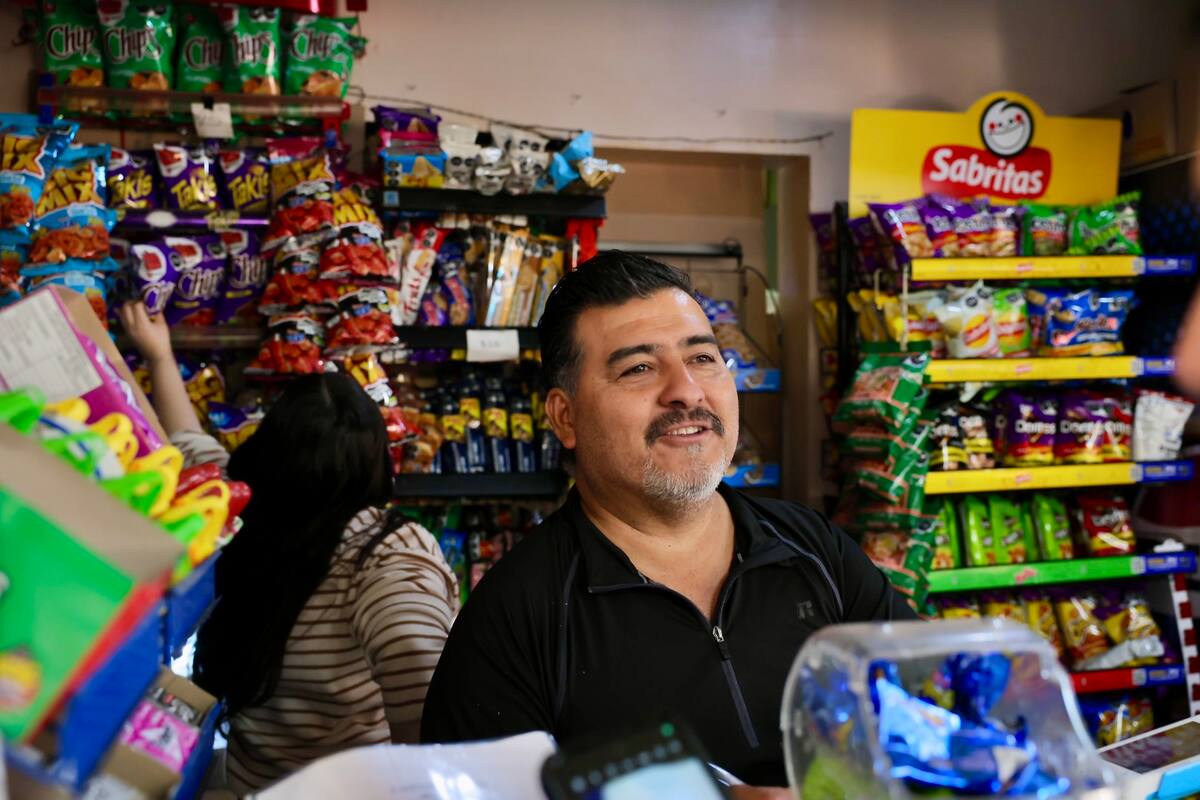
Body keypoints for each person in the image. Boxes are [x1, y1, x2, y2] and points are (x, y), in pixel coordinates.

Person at [420, 252, 916, 794]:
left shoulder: (814, 548)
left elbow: (932, 710)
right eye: (638, 368)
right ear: (566, 416)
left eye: (703, 358)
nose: (687, 390)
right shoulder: (515, 620)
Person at [119, 301, 459, 795]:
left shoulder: (240, 511)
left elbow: (189, 443)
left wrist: (160, 356)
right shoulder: (384, 554)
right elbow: (426, 700)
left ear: (272, 447)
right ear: (375, 465)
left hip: (253, 787)